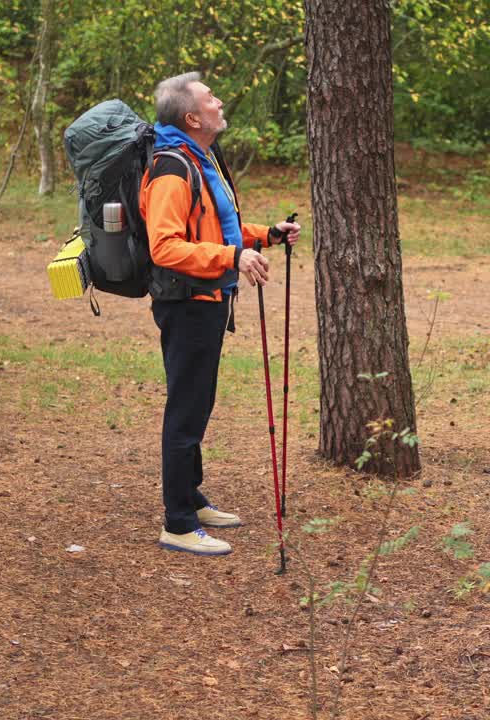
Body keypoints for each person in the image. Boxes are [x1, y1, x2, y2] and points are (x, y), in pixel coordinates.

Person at [139, 72, 301, 556]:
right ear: (192, 118)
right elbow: (165, 246)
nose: (220, 101)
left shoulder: (198, 158)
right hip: (187, 303)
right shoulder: (173, 168)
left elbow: (213, 226)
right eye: (211, 98)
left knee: (198, 403)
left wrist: (263, 235)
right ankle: (179, 523)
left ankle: (192, 496)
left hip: (207, 300)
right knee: (186, 411)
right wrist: (232, 258)